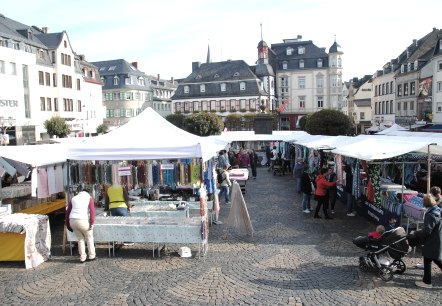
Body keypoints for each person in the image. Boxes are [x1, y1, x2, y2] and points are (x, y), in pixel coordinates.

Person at [408, 194, 442, 288]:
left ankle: (427, 282)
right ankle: (426, 281)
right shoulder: (437, 210)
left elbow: (427, 231)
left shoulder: (430, 215)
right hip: (436, 238)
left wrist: (416, 233)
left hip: (431, 240)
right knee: (434, 259)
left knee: (429, 259)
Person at [65, 185, 96, 263]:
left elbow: (68, 212)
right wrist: (92, 223)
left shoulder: (74, 198)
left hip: (73, 220)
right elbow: (92, 211)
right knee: (89, 237)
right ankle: (91, 255)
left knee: (80, 239)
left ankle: (82, 257)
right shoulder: (89, 198)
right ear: (87, 192)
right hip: (83, 220)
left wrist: (67, 223)